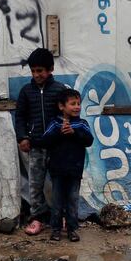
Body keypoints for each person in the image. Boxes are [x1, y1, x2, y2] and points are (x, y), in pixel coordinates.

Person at [14, 48, 68, 235]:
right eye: (33, 71)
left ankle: (60, 217)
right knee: (35, 184)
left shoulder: (60, 90)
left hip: (57, 148)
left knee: (57, 184)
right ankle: (37, 218)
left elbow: (67, 116)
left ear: (50, 69)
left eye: (40, 71)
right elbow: (20, 117)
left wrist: (65, 137)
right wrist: (22, 137)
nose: (36, 75)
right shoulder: (26, 92)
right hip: (36, 146)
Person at [39, 89, 93, 242]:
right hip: (57, 170)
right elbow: (44, 141)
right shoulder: (55, 123)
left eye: (78, 104)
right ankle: (55, 229)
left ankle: (72, 229)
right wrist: (59, 133)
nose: (77, 107)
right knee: (56, 201)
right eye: (73, 104)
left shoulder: (82, 124)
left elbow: (89, 141)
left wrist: (74, 133)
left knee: (72, 200)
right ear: (61, 106)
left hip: (75, 170)